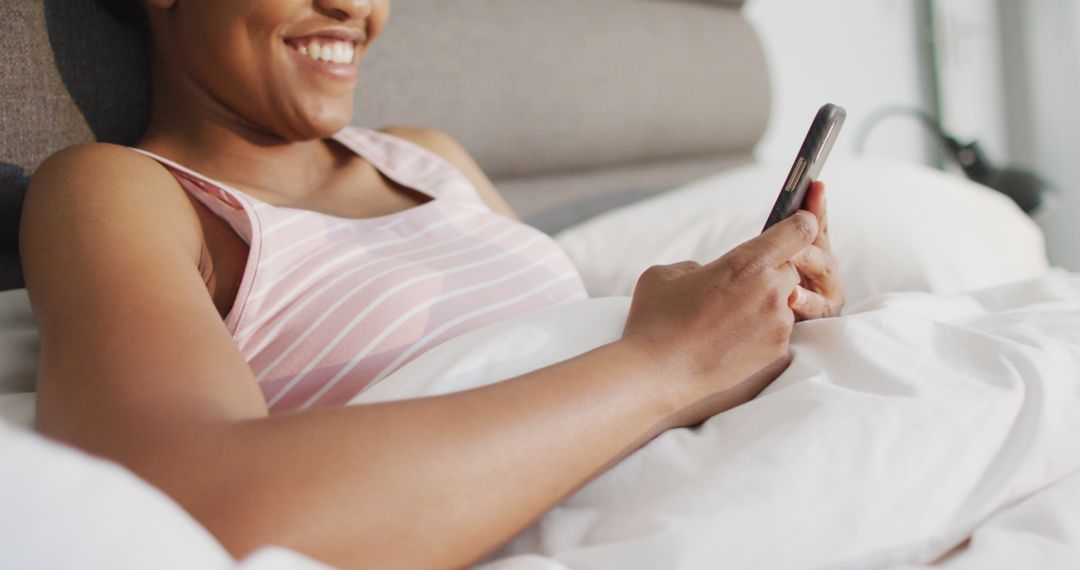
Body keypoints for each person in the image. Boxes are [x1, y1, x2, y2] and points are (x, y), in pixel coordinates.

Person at [19, 0, 845, 567]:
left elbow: (569, 327)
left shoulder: (427, 156)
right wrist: (672, 362)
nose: (354, 5)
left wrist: (745, 316)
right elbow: (182, 513)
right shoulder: (120, 191)